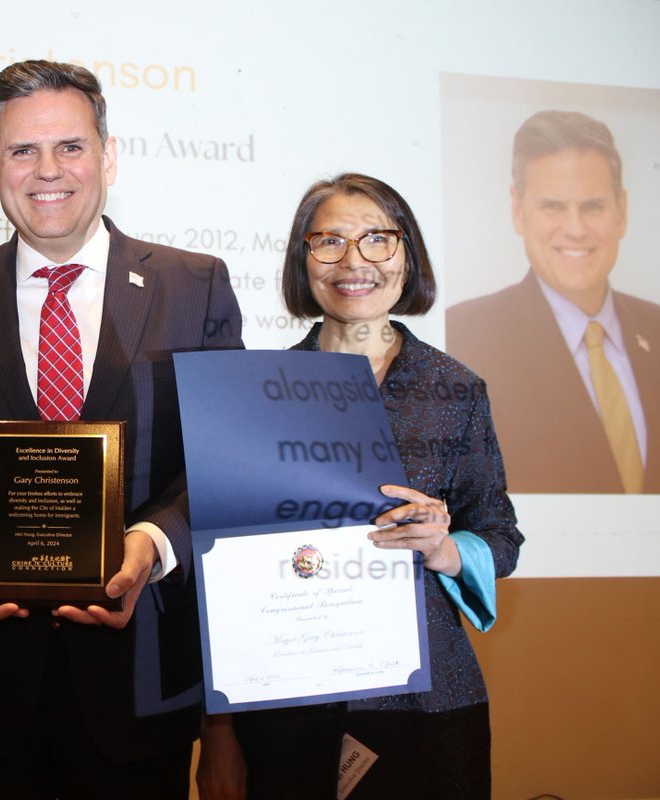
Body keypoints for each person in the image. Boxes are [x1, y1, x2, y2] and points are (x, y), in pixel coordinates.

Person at [0, 60, 243, 799]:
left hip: (141, 670)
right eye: (21, 150)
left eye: (71, 147)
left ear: (108, 157)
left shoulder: (194, 284)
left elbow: (224, 457)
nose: (47, 170)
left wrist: (151, 547)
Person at [197, 174, 523, 799]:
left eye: (378, 239)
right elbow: (221, 581)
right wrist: (218, 734)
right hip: (287, 709)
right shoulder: (254, 396)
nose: (355, 262)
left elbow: (501, 536)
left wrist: (446, 548)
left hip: (427, 705)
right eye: (329, 242)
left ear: (407, 256)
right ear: (304, 261)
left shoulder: (455, 390)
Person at [446, 110, 660, 493]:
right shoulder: (462, 339)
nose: (575, 229)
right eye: (553, 207)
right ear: (518, 210)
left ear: (621, 211)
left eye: (593, 206)